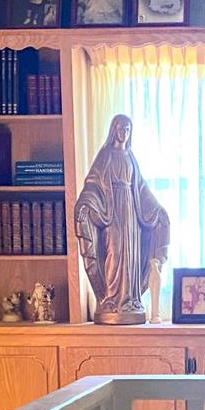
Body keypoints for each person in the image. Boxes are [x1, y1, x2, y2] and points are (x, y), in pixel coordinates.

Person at [74, 115, 170, 324]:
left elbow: (141, 188)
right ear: (113, 130)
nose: (124, 133)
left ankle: (130, 299)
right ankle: (111, 299)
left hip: (130, 213)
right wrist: (85, 203)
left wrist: (157, 210)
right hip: (112, 210)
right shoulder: (106, 155)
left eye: (127, 129)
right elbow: (93, 183)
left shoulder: (131, 157)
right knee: (114, 252)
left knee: (131, 256)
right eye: (120, 128)